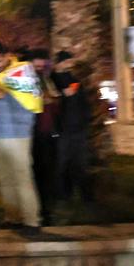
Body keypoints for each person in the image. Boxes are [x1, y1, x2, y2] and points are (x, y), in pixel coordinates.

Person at [0, 42, 43, 230]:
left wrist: (5, 92)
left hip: (17, 133)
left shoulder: (23, 70)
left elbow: (33, 98)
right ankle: (13, 218)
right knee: (3, 179)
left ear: (7, 55)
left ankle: (31, 222)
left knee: (22, 178)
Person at [50, 52, 94, 205]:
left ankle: (84, 195)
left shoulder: (73, 79)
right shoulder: (52, 79)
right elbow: (58, 97)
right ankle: (62, 194)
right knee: (61, 163)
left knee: (80, 163)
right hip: (62, 129)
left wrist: (85, 120)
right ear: (60, 63)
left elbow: (80, 100)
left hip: (78, 129)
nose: (70, 64)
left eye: (70, 61)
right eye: (67, 61)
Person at [29, 49, 61, 225]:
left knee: (46, 173)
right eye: (37, 64)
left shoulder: (47, 79)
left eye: (42, 64)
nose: (40, 67)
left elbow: (55, 102)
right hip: (33, 133)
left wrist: (52, 101)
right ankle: (38, 210)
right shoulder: (28, 81)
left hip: (47, 133)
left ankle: (46, 210)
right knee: (36, 173)